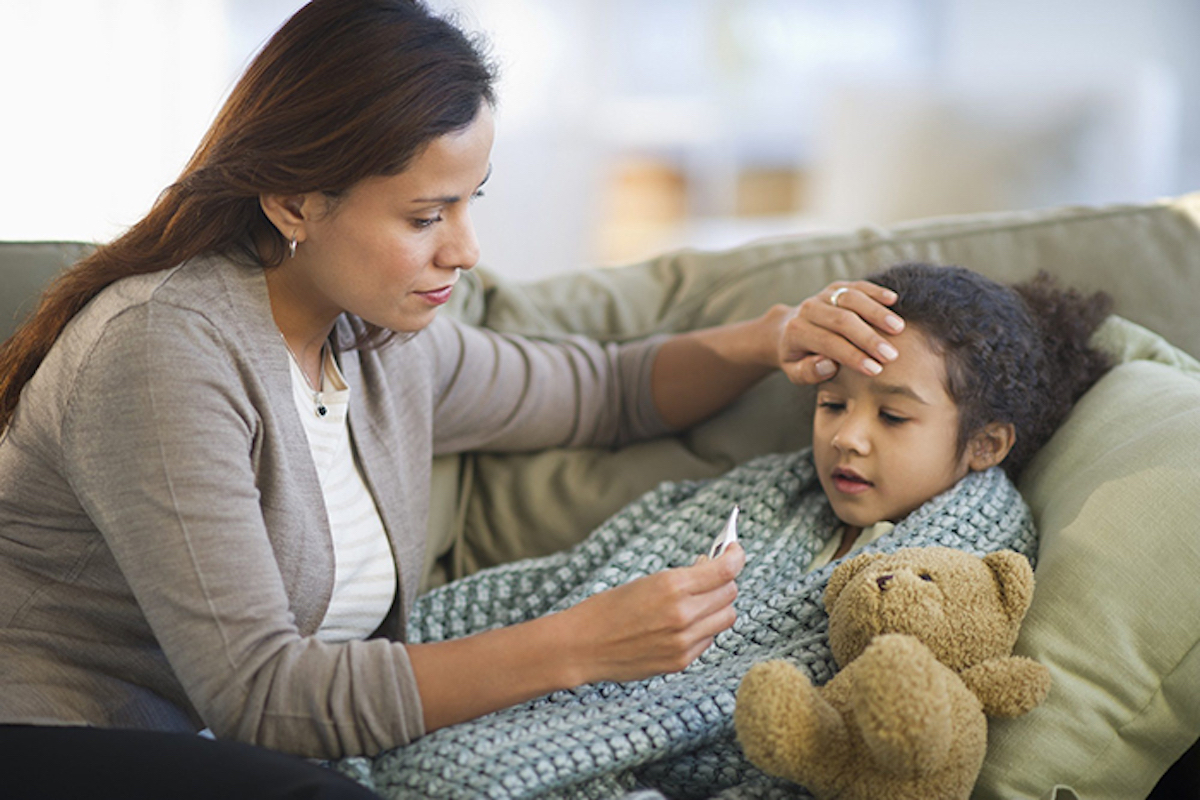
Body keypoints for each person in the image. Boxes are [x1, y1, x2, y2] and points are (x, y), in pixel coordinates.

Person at [0, 2, 907, 798]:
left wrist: (765, 339)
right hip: (54, 737)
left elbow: (604, 392)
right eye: (426, 217)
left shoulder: (375, 338)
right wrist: (579, 646)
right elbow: (263, 700)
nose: (465, 250)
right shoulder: (165, 350)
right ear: (292, 201)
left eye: (471, 202)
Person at [340, 262, 1113, 799]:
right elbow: (580, 578)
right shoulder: (765, 494)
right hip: (548, 695)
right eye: (833, 403)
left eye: (895, 415)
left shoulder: (965, 568)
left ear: (986, 445)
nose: (849, 437)